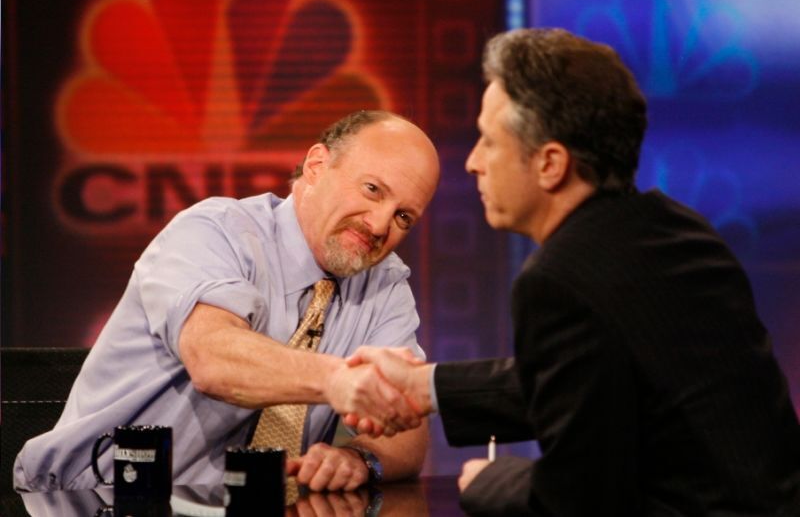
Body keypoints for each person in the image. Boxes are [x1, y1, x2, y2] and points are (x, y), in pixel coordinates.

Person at [347, 28, 800, 515]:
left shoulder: (559, 280)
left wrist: (492, 481)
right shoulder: (678, 232)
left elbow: (576, 499)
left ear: (550, 164)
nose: (474, 162)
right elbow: (591, 383)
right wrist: (426, 387)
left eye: (489, 142)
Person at [14, 110, 439, 493]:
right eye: (372, 190)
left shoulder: (385, 284)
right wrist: (338, 380)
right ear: (316, 166)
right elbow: (213, 359)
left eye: (404, 216)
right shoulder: (215, 231)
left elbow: (407, 432)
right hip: (89, 496)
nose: (379, 225)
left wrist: (359, 459)